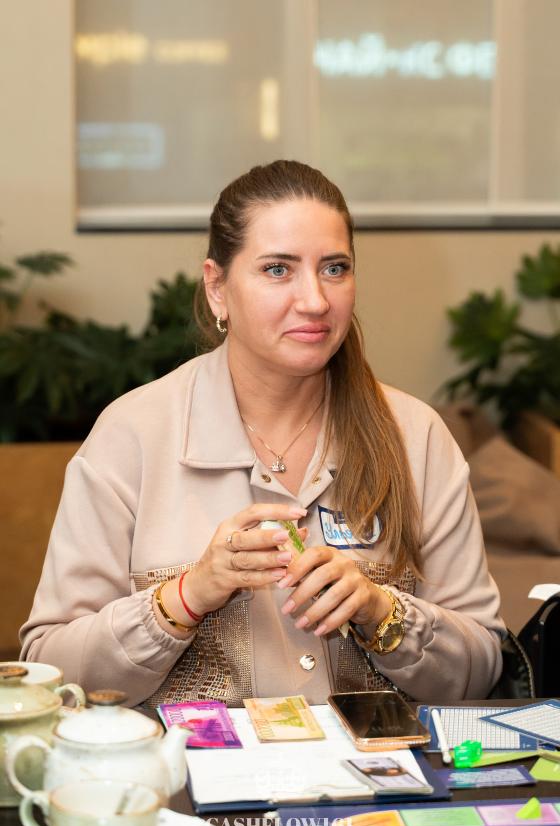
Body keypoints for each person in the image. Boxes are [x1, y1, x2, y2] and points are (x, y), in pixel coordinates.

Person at [20, 160, 505, 707]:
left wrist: (381, 611)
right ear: (217, 287)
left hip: (383, 766)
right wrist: (186, 597)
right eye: (278, 269)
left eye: (335, 268)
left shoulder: (416, 436)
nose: (315, 300)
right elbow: (52, 671)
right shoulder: (131, 435)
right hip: (180, 766)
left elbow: (482, 668)